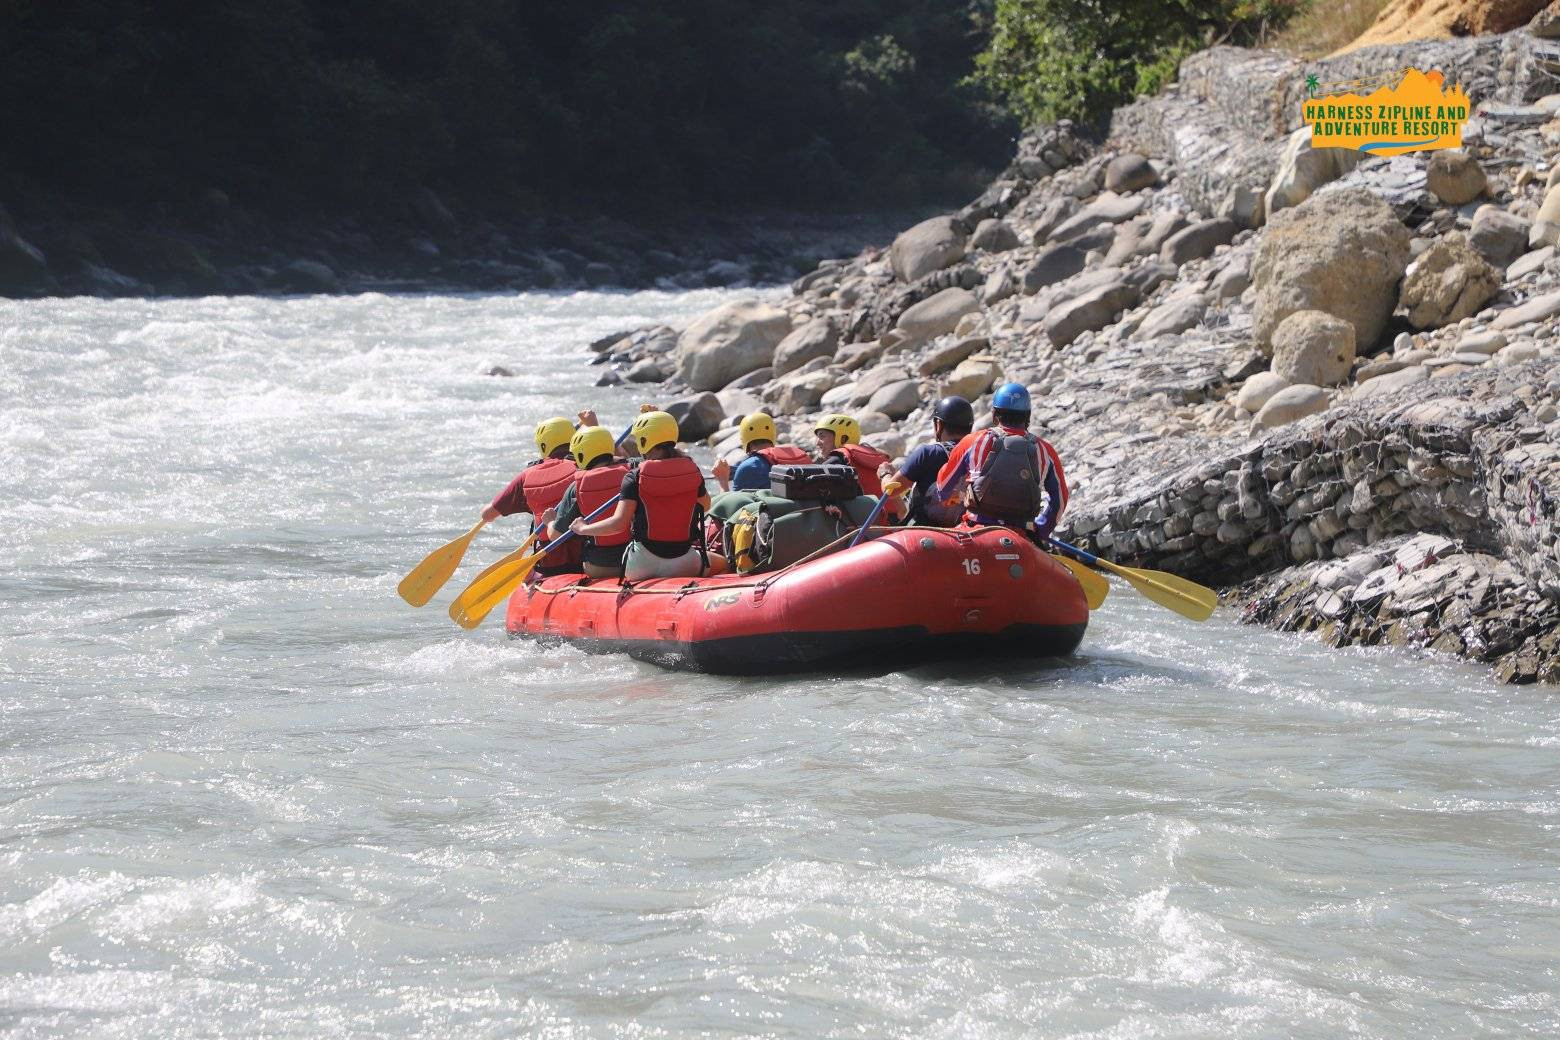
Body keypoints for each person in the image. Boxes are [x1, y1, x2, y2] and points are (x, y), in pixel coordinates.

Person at [571, 410, 727, 581]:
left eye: (639, 440)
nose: (637, 445)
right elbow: (705, 505)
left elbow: (619, 524)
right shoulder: (692, 470)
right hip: (684, 561)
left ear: (645, 441)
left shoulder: (634, 477)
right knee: (724, 564)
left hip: (642, 564)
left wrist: (583, 528)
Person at [932, 382, 1068, 540]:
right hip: (1022, 536)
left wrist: (955, 493)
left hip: (976, 530)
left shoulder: (973, 441)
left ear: (994, 414)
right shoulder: (1046, 451)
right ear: (1028, 416)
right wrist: (1041, 530)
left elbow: (942, 488)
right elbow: (1060, 499)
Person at [483, 415, 582, 577]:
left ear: (543, 445)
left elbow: (487, 515)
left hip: (549, 564)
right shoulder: (586, 469)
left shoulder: (527, 475)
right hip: (585, 559)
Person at [545, 425, 630, 579]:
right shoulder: (632, 474)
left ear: (581, 455)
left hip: (599, 566)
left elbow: (555, 536)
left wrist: (550, 521)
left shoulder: (577, 486)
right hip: (633, 559)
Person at [879, 396, 973, 526]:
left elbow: (890, 491)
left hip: (925, 532)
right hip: (965, 530)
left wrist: (885, 474)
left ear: (938, 425)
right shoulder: (980, 453)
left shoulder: (928, 453)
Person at [712, 412, 812, 492]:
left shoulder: (748, 467)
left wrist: (723, 480)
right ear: (773, 434)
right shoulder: (800, 457)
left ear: (744, 437)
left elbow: (729, 509)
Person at [813, 414, 892, 497]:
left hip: (868, 509)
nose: (817, 443)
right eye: (817, 437)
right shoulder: (876, 456)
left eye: (822, 436)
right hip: (888, 509)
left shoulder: (836, 461)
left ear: (843, 438)